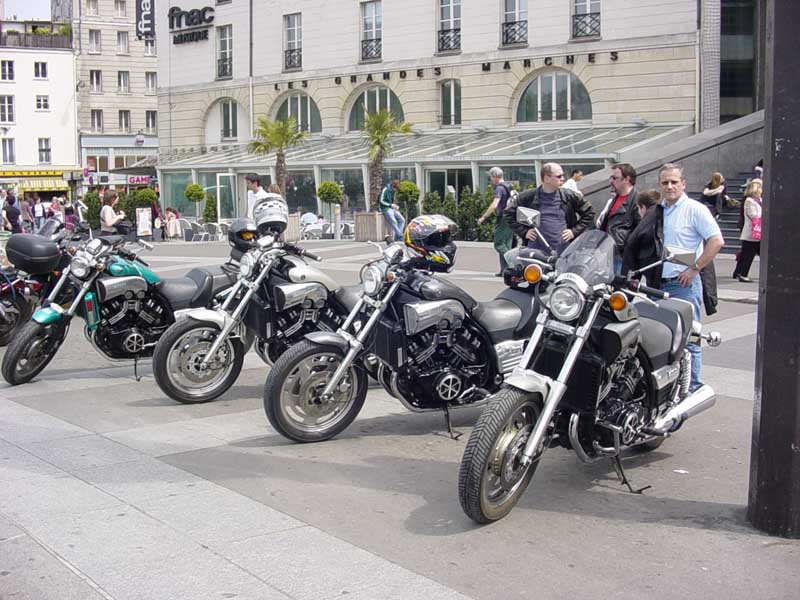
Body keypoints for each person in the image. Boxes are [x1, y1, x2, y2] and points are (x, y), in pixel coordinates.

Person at [657, 163, 724, 391]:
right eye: (665, 182)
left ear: (683, 184)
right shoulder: (659, 210)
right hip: (658, 285)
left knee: (690, 338)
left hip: (683, 284)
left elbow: (716, 241)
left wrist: (695, 268)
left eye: (674, 182)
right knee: (662, 339)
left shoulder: (695, 209)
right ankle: (668, 388)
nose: (669, 186)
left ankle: (692, 387)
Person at [506, 162, 595, 256]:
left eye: (563, 175)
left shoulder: (569, 195)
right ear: (547, 178)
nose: (563, 178)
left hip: (565, 252)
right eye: (559, 176)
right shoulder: (528, 197)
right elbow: (509, 213)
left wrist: (574, 231)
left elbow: (589, 212)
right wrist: (524, 232)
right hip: (536, 253)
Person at [597, 163, 641, 274]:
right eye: (611, 177)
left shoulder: (637, 200)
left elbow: (640, 231)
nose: (611, 181)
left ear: (627, 179)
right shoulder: (615, 198)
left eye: (615, 178)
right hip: (608, 254)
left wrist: (626, 250)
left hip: (622, 257)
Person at [478, 167, 514, 276]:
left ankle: (512, 263)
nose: (491, 179)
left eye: (491, 177)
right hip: (511, 218)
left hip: (503, 218)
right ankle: (505, 270)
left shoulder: (499, 188)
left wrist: (484, 217)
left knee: (498, 244)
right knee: (506, 244)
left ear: (495, 176)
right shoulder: (509, 186)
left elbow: (494, 204)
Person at [732, 178, 762, 283]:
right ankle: (742, 274)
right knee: (747, 255)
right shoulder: (749, 200)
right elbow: (754, 215)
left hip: (758, 233)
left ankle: (739, 273)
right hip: (751, 233)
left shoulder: (760, 200)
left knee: (748, 254)